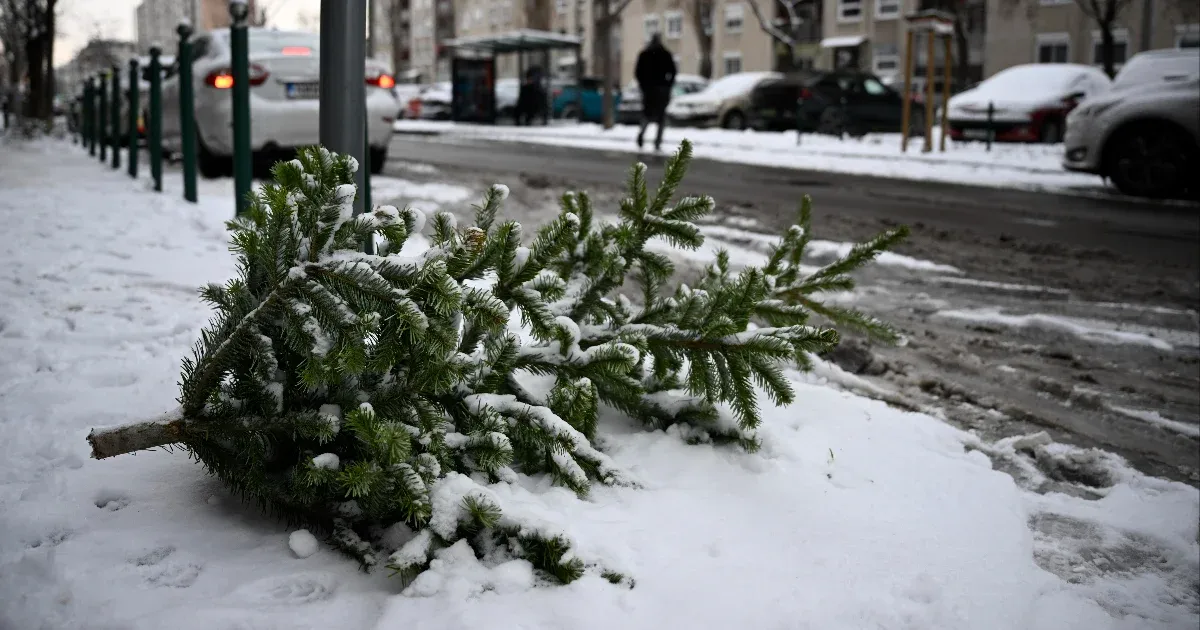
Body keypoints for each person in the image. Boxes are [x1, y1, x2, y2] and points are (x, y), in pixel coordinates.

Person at [634, 34, 676, 152]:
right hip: (662, 89)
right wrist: (668, 86)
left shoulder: (644, 54)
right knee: (661, 117)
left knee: (647, 115)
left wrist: (643, 86)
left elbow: (638, 73)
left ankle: (642, 134)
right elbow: (673, 72)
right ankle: (657, 141)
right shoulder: (666, 54)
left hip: (649, 90)